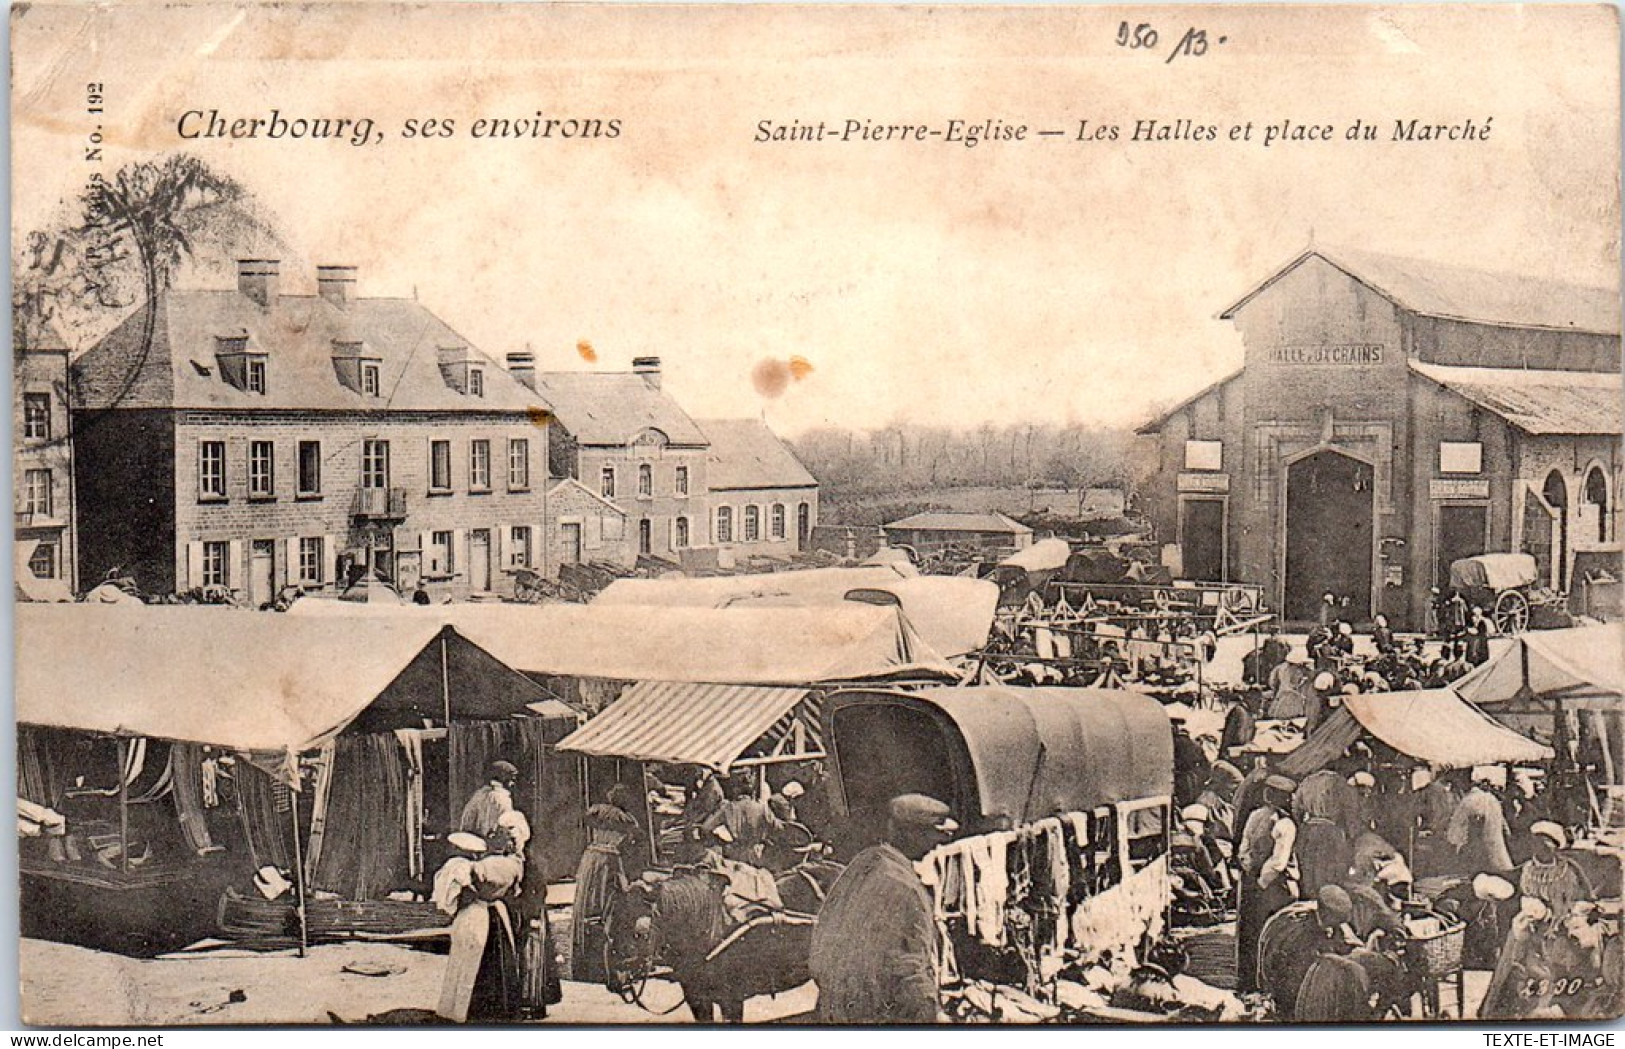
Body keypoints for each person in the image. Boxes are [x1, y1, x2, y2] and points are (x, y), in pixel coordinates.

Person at [810, 794, 957, 1023]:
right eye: (934, 835)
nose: (938, 844)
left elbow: (821, 938)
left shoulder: (862, 864)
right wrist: (933, 1015)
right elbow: (908, 970)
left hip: (834, 1007)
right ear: (913, 834)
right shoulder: (906, 889)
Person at [434, 829, 525, 1023]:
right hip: (498, 914)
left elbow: (466, 894)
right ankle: (501, 1006)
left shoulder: (477, 867)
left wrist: (469, 896)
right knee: (498, 959)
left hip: (478, 914)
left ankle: (470, 1008)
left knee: (473, 960)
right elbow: (513, 893)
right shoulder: (514, 865)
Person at [571, 784, 641, 985]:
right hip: (609, 862)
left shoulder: (596, 810)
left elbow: (582, 821)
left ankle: (585, 963)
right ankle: (608, 964)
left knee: (586, 906)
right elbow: (632, 839)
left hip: (590, 859)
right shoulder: (626, 819)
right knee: (610, 909)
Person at [1236, 775, 1298, 994]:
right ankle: (1265, 986)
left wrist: (1249, 870)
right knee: (1273, 936)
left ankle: (1247, 983)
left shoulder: (1255, 816)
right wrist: (1262, 882)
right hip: (1272, 888)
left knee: (1251, 932)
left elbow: (1244, 847)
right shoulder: (1285, 824)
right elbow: (1278, 863)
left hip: (1254, 881)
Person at [1292, 770, 1357, 897]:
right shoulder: (1341, 783)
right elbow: (1350, 813)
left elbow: (1296, 808)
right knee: (1329, 876)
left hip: (1308, 830)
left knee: (1307, 875)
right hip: (1331, 831)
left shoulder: (1307, 781)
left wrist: (1302, 826)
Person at [703, 776, 785, 864]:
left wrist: (720, 841)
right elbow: (779, 829)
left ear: (736, 790)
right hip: (756, 854)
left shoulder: (727, 808)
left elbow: (706, 828)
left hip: (733, 854)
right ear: (752, 792)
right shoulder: (762, 808)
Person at [1447, 769, 1515, 876]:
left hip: (1477, 856)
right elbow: (1506, 830)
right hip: (1498, 855)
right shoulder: (1492, 799)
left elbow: (1453, 836)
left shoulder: (1468, 801)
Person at [1519, 821, 1593, 919]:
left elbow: (1581, 895)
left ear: (1556, 848)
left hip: (1564, 916)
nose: (1542, 849)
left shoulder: (1567, 869)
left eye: (1548, 845)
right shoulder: (1528, 869)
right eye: (1537, 843)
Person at [459, 761, 518, 840]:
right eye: (511, 780)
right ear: (503, 777)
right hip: (494, 845)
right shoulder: (502, 798)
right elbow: (507, 827)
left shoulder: (478, 795)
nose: (512, 784)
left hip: (475, 843)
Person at [1220, 693, 1259, 761]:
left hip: (1239, 750)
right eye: (1258, 701)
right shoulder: (1239, 711)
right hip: (1232, 753)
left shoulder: (1247, 712)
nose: (1260, 705)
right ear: (1250, 699)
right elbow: (1229, 735)